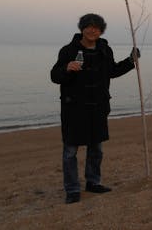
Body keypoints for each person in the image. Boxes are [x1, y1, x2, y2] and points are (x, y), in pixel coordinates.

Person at [51, 13, 139, 204]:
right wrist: (67, 68)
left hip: (98, 107)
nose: (92, 30)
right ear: (82, 28)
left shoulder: (104, 50)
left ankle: (93, 182)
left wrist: (131, 61)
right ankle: (73, 189)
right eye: (89, 26)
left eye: (97, 27)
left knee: (96, 149)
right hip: (74, 109)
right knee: (70, 152)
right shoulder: (68, 50)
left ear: (101, 31)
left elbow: (112, 71)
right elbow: (54, 76)